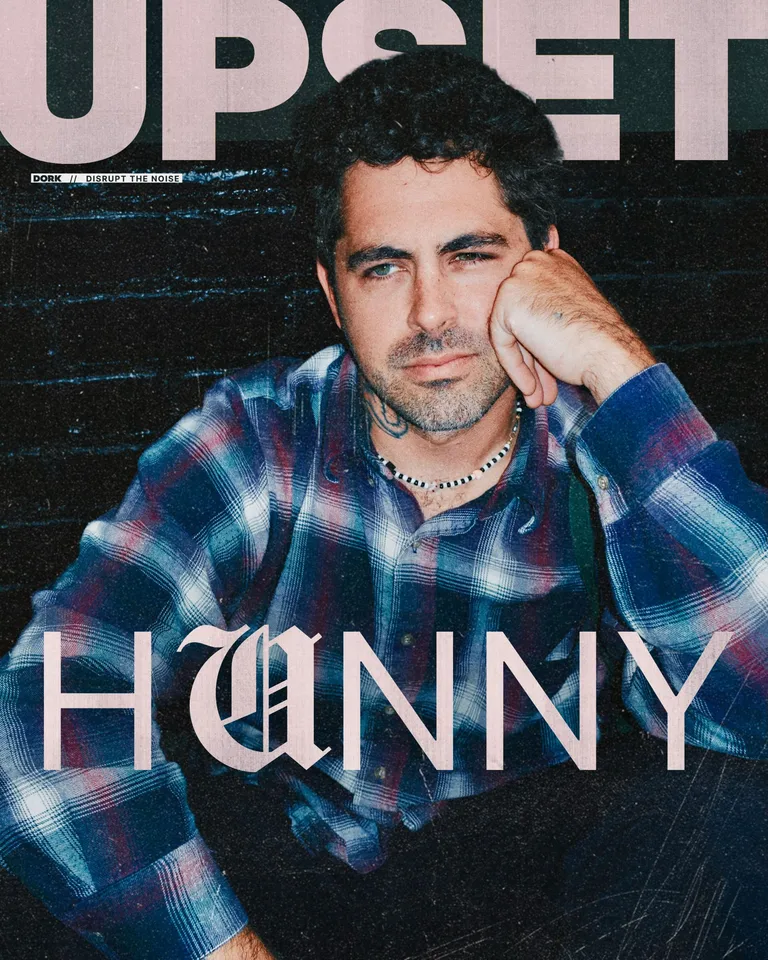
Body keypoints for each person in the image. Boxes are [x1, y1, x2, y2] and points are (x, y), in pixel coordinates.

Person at [1, 48, 768, 960]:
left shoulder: (608, 455)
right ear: (333, 292)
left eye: (469, 256)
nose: (430, 314)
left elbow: (752, 709)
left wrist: (617, 364)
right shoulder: (257, 440)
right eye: (383, 268)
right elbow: (47, 700)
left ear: (547, 269)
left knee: (725, 816)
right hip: (283, 893)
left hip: (520, 907)